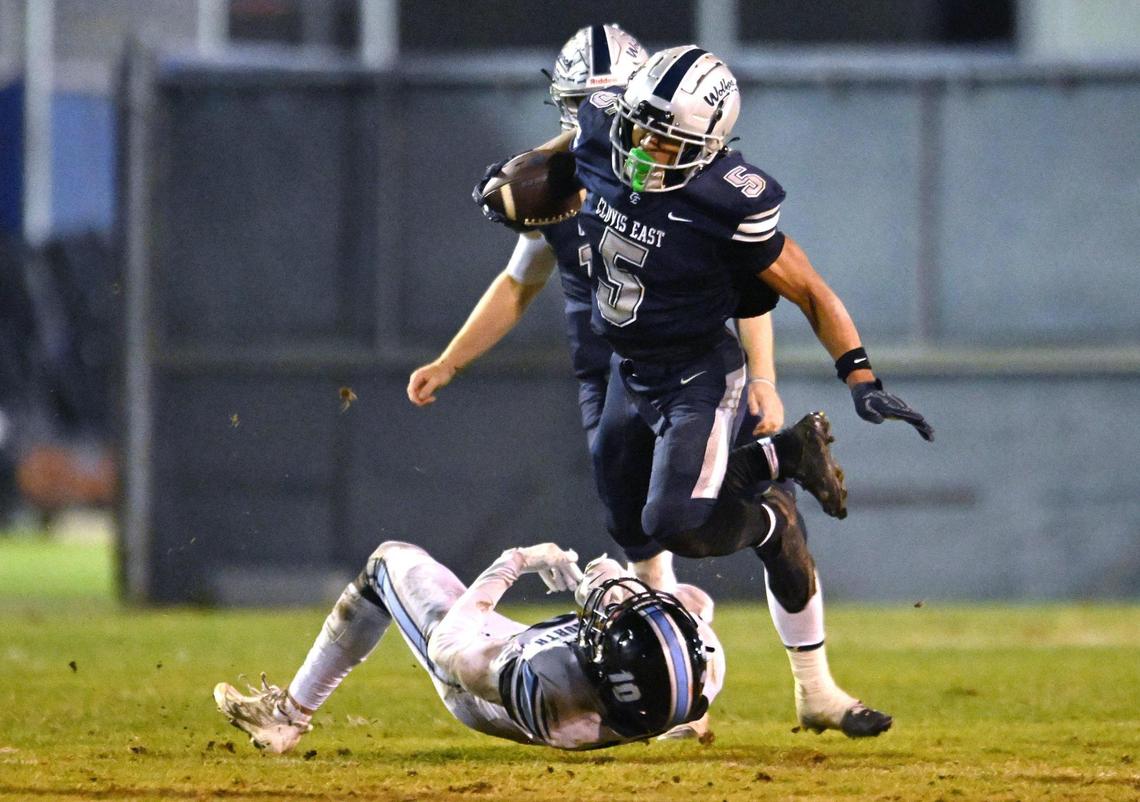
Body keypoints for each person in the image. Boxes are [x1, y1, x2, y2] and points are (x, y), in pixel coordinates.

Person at [479, 45, 937, 735]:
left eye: (670, 142)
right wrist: (518, 173)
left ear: (711, 144)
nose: (645, 152)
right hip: (628, 371)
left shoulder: (729, 198)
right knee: (626, 521)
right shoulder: (606, 125)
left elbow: (808, 289)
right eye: (642, 130)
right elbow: (576, 141)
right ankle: (780, 465)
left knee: (677, 525)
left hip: (697, 376)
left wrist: (860, 375)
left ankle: (775, 503)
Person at [407, 23, 785, 599]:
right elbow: (517, 283)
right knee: (626, 512)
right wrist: (450, 361)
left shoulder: (684, 189)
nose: (592, 118)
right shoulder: (558, 187)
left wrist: (763, 375)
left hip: (682, 364)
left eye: (601, 105)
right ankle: (661, 610)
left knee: (677, 505)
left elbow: (751, 291)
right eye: (579, 105)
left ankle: (773, 489)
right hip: (604, 365)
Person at [213, 541, 724, 752]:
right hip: (643, 704)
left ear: (606, 669)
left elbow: (449, 645)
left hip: (475, 683)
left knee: (387, 562)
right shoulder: (705, 663)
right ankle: (680, 724)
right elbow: (690, 603)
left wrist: (516, 560)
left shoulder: (542, 681)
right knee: (682, 599)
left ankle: (288, 714)